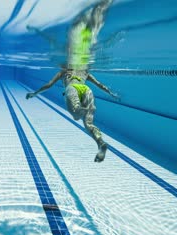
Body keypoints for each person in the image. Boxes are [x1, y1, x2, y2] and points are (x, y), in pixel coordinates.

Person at [26, 0, 116, 162]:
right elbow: (100, 85)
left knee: (76, 114)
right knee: (88, 123)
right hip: (86, 89)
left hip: (73, 88)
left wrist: (35, 93)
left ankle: (82, 111)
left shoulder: (64, 71)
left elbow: (48, 85)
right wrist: (111, 93)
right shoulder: (85, 71)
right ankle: (100, 143)